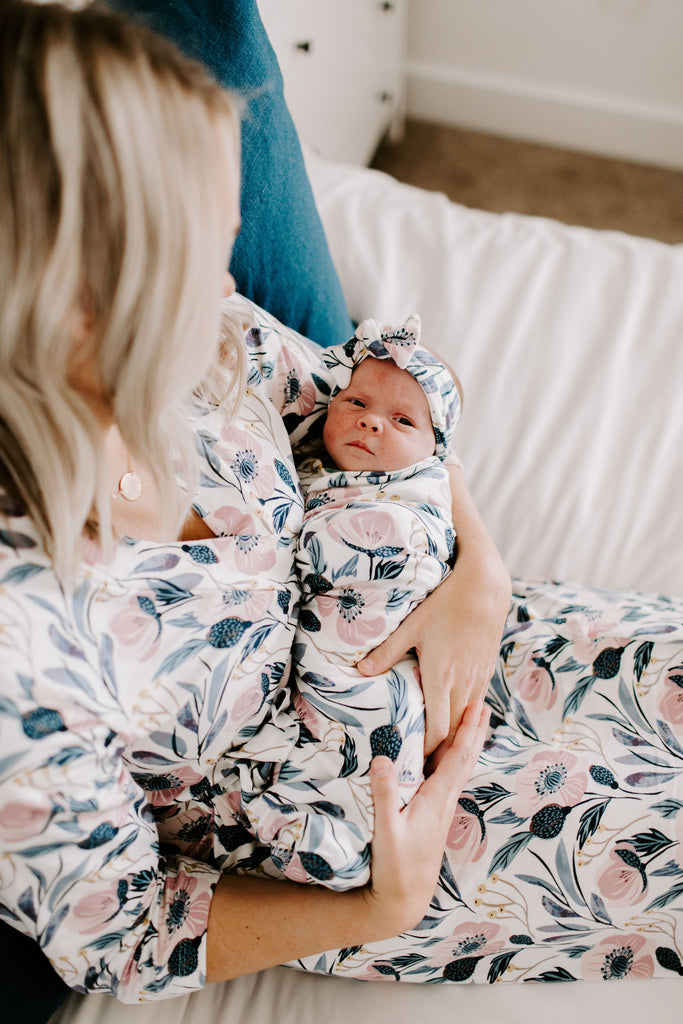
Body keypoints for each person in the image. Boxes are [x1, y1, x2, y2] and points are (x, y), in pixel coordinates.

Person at [0, 1, 500, 1010]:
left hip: (469, 650)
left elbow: (377, 410)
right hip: (360, 834)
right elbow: (123, 933)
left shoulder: (210, 348)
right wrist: (381, 907)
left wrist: (477, 577)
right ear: (86, 307)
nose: (234, 278)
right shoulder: (23, 645)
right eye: (206, 252)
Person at [222, 316, 462, 886]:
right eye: (355, 401)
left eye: (402, 420)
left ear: (435, 451)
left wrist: (297, 542)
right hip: (314, 670)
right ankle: (324, 824)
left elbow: (394, 547)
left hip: (367, 652)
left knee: (359, 740)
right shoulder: (318, 466)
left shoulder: (414, 501)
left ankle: (339, 833)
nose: (371, 421)